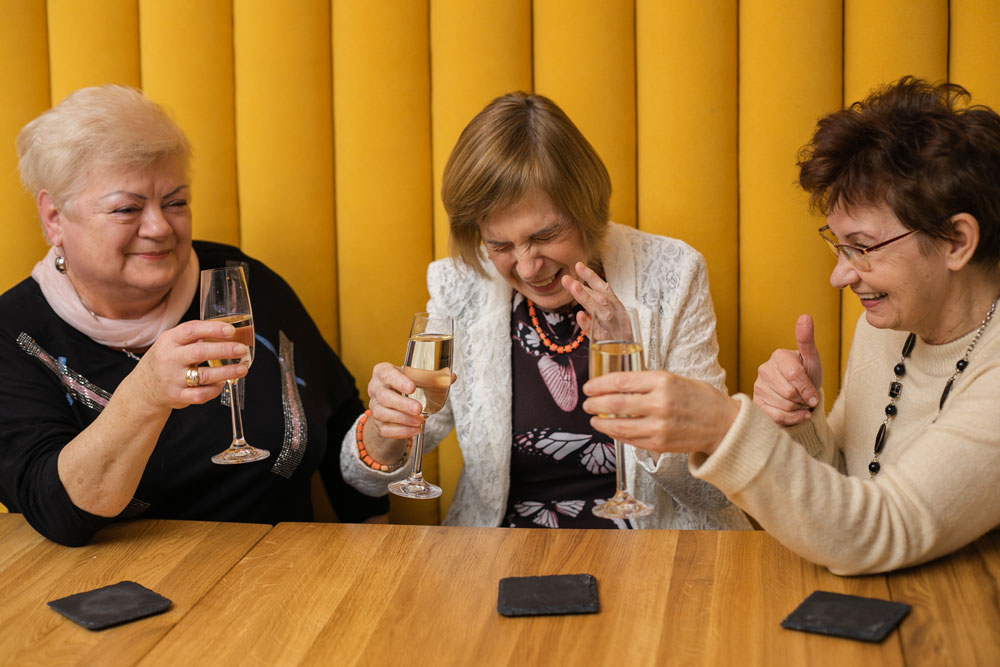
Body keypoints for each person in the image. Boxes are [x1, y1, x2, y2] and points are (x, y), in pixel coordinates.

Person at [582, 76, 1000, 573]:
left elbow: (881, 531)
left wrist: (723, 428)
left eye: (862, 248)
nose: (840, 275)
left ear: (956, 241)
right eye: (838, 246)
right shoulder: (891, 324)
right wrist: (805, 425)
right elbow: (847, 490)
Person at [341, 92, 750, 530]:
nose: (527, 266)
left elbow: (712, 491)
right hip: (500, 556)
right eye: (500, 245)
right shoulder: (460, 284)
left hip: (656, 556)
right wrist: (385, 430)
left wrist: (636, 371)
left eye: (546, 234)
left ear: (588, 206)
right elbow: (361, 480)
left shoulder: (672, 273)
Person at [0, 85, 386, 547]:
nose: (160, 227)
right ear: (54, 217)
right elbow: (54, 511)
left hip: (288, 580)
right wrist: (144, 394)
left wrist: (375, 559)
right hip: (119, 599)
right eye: (127, 208)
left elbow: (340, 413)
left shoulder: (241, 282)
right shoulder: (14, 333)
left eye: (175, 202)